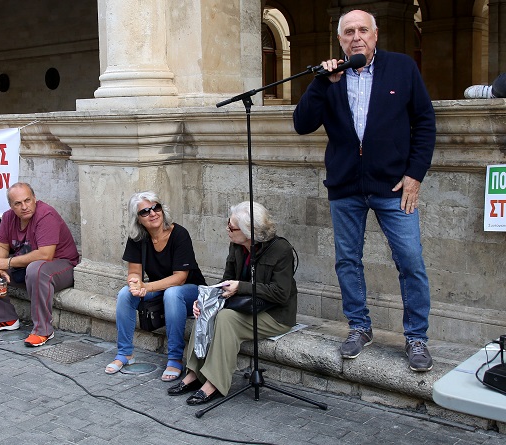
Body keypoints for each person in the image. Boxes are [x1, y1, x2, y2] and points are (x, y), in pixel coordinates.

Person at [293, 9, 436, 372]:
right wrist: (322, 82)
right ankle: (359, 327)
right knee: (347, 261)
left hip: (393, 186)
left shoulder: (402, 68)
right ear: (339, 40)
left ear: (375, 35)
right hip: (345, 187)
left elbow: (424, 122)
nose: (356, 37)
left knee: (410, 260)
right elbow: (302, 124)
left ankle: (416, 337)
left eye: (362, 30)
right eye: (348, 32)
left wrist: (415, 174)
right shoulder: (331, 77)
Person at [168, 202, 297, 405]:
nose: (227, 229)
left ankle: (214, 383)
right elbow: (226, 281)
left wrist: (240, 287)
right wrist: (205, 300)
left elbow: (281, 293)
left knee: (225, 318)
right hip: (245, 308)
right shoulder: (236, 246)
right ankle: (194, 373)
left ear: (248, 232)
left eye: (231, 227)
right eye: (228, 224)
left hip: (275, 315)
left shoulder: (281, 249)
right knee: (205, 310)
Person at [105, 191, 206, 381]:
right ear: (138, 219)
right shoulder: (137, 237)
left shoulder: (179, 234)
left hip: (191, 291)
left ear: (162, 210)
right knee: (125, 294)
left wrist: (147, 287)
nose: (152, 213)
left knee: (172, 293)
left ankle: (175, 358)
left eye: (156, 207)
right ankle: (125, 353)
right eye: (145, 211)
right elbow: (134, 272)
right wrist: (134, 284)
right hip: (161, 290)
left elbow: (180, 278)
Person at [0, 183, 80, 346]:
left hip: (61, 267)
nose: (24, 207)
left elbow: (45, 255)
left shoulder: (46, 215)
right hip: (28, 268)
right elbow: (1, 245)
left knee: (36, 269)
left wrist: (6, 262)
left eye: (27, 200)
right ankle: (4, 318)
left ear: (34, 199)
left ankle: (43, 330)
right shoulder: (8, 217)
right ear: (11, 206)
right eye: (18, 203)